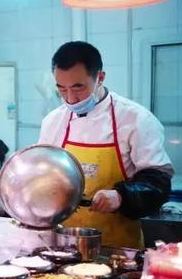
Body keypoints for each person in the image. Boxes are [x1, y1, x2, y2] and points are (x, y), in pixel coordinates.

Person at [39, 41, 174, 249]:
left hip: (119, 251)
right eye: (61, 89)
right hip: (63, 246)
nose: (70, 99)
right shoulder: (52, 122)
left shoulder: (136, 119)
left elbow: (158, 184)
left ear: (100, 77)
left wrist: (121, 196)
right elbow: (44, 176)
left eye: (78, 88)